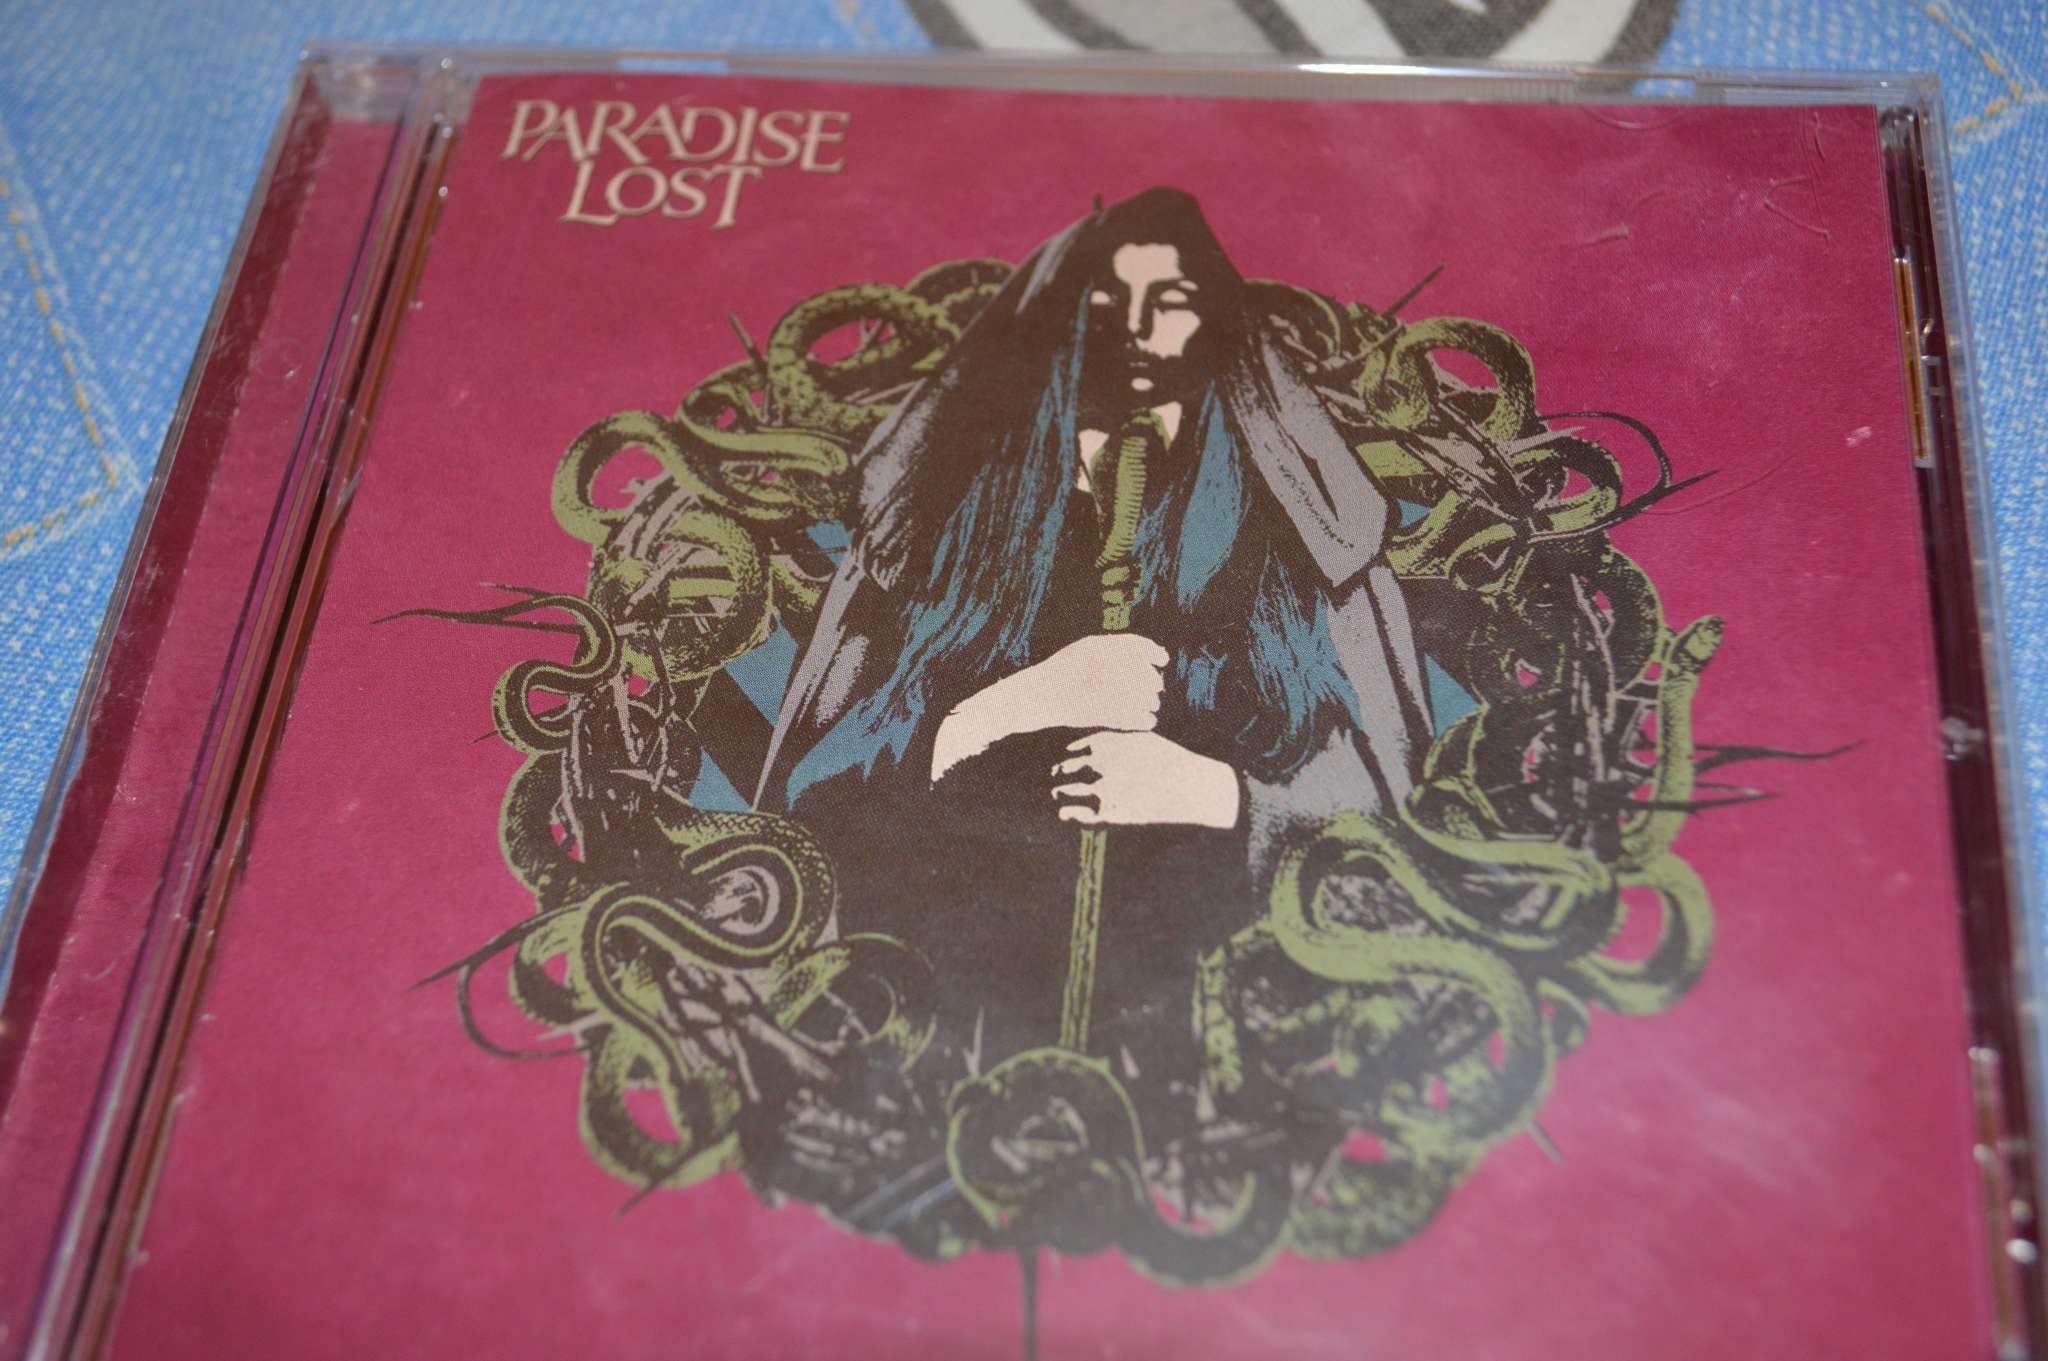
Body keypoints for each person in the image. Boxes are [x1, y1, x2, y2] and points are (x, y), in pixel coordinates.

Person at [753, 186, 1430, 1083]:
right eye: (1110, 307)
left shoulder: (1287, 541)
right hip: (957, 1026)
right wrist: (1008, 708)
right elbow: (813, 799)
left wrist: (1218, 795)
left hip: (1213, 1034)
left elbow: (1380, 807)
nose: (1139, 333)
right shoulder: (955, 531)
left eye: (1170, 304)